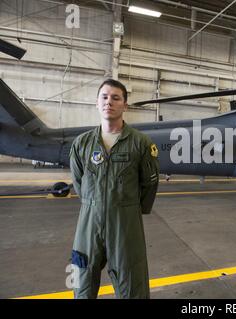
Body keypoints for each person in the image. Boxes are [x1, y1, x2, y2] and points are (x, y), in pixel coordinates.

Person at [69, 79, 159, 299]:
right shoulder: (81, 144)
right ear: (97, 103)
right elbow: (78, 181)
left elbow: (149, 183)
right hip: (89, 222)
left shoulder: (141, 143)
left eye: (116, 98)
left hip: (125, 223)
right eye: (105, 97)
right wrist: (93, 202)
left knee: (132, 282)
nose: (109, 102)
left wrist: (132, 207)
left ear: (125, 105)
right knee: (81, 278)